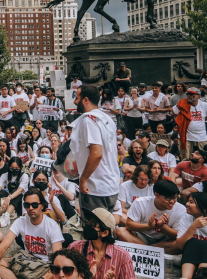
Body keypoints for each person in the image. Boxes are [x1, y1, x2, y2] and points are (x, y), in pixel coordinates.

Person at [0, 188, 64, 279]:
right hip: (26, 259)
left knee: (56, 273)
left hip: (45, 264)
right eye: (27, 205)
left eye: (35, 205)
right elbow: (2, 247)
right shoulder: (20, 221)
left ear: (42, 206)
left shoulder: (52, 226)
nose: (31, 208)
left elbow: (58, 259)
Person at [71, 85, 119, 216]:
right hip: (111, 185)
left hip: (95, 188)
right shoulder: (106, 118)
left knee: (94, 233)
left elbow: (97, 153)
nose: (75, 101)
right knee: (106, 231)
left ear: (85, 100)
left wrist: (83, 180)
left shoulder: (88, 120)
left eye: (77, 98)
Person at [116, 179, 186, 254]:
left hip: (163, 241)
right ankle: (150, 251)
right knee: (121, 231)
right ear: (157, 195)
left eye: (174, 198)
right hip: (141, 236)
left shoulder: (181, 209)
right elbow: (129, 225)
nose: (172, 201)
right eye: (168, 198)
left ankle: (146, 250)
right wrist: (149, 226)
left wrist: (162, 226)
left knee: (182, 243)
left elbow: (177, 235)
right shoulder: (140, 202)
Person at [69, 207, 135, 279]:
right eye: (88, 222)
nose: (87, 226)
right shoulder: (75, 248)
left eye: (92, 224)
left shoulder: (123, 256)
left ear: (104, 233)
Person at [175, 192, 207, 279]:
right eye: (188, 201)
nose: (187, 204)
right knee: (192, 241)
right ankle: (185, 277)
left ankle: (202, 274)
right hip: (191, 255)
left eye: (192, 202)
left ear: (204, 208)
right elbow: (179, 245)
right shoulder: (186, 218)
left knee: (203, 244)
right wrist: (193, 227)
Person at [174, 86, 207, 161]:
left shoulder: (204, 105)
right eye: (188, 94)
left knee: (203, 157)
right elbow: (174, 112)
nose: (189, 96)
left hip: (201, 136)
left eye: (192, 94)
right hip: (186, 136)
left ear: (198, 96)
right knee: (185, 158)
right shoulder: (182, 104)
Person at [0, 157, 29, 226]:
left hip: (19, 201)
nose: (14, 170)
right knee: (1, 192)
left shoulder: (24, 176)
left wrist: (9, 198)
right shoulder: (5, 175)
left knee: (16, 192)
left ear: (20, 167)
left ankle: (6, 216)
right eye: (12, 168)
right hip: (9, 199)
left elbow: (20, 191)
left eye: (17, 168)